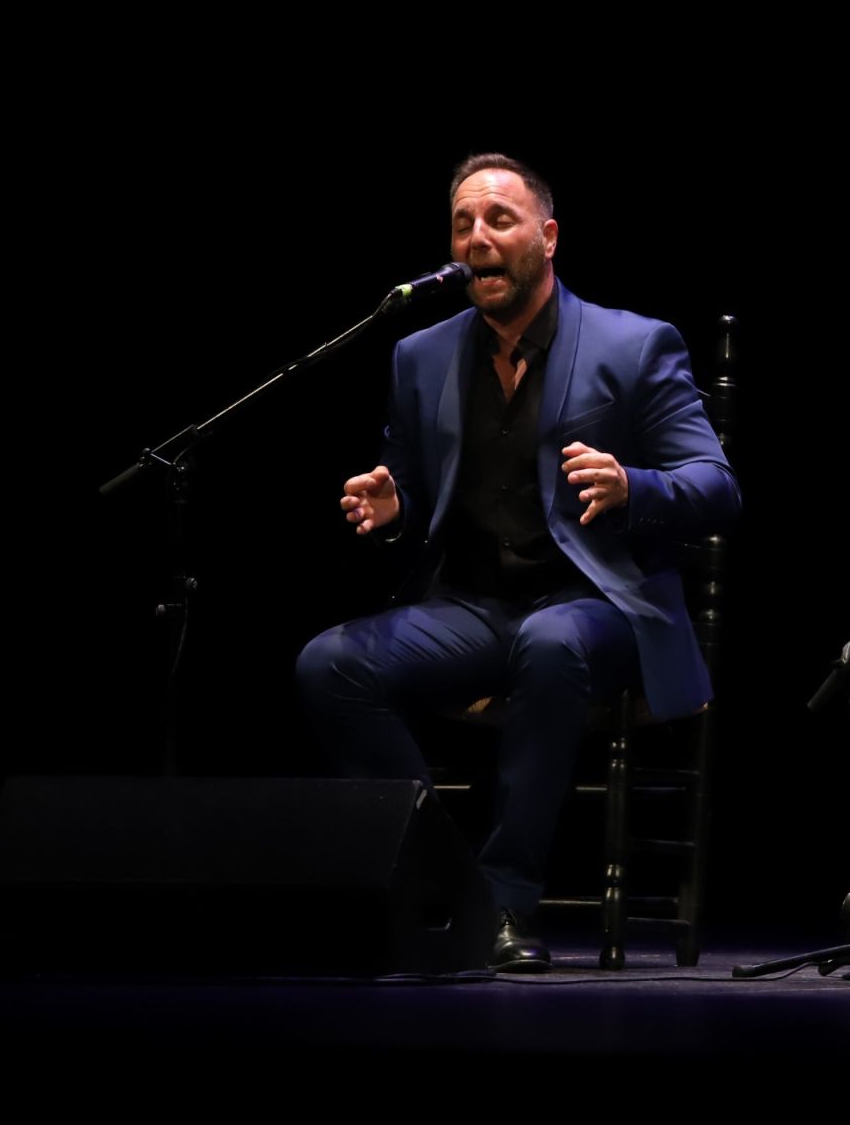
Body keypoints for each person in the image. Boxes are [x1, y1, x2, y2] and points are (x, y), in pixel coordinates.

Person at [298, 154, 740, 972]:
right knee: (329, 666)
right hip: (470, 608)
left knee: (552, 643)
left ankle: (502, 900)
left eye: (498, 220)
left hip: (602, 603)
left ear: (547, 236)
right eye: (463, 225)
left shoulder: (635, 344)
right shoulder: (420, 357)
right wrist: (392, 514)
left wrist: (632, 484)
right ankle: (446, 883)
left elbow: (716, 487)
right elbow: (412, 493)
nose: (477, 240)